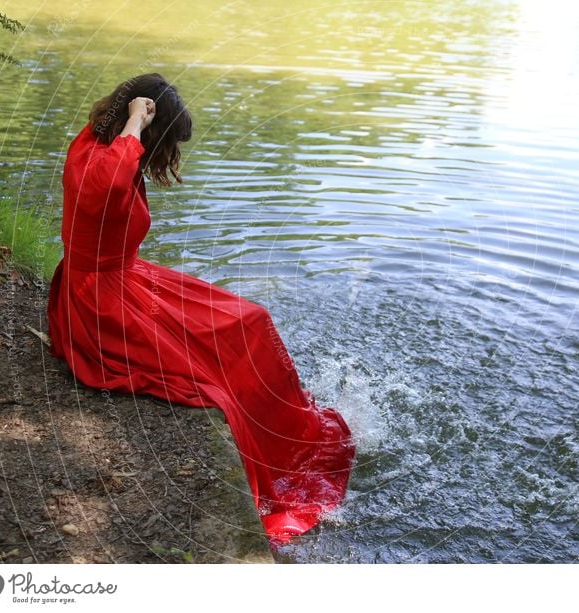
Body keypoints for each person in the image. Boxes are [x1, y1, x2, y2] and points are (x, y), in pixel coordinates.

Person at [46, 73, 356, 545]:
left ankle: (291, 427)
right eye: (163, 141)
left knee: (249, 319)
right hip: (100, 305)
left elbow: (114, 170)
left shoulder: (96, 140)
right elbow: (106, 183)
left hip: (122, 279)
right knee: (215, 387)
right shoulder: (101, 162)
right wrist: (134, 122)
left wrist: (129, 121)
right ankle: (275, 454)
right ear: (141, 129)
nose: (165, 155)